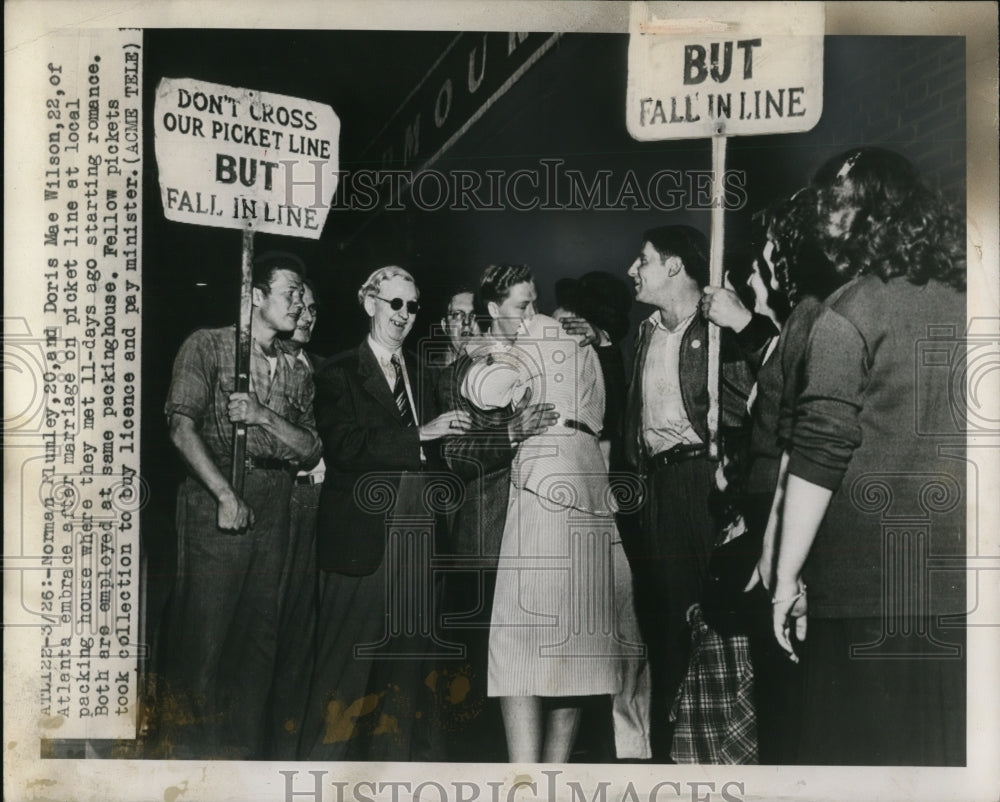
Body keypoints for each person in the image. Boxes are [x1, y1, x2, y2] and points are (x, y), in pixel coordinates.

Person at [770, 147, 967, 765]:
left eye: (834, 202)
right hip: (952, 580)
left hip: (864, 582)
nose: (824, 219)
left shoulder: (850, 311)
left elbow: (820, 449)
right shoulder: (967, 296)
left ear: (868, 211)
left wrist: (784, 578)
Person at [462, 289, 643, 763]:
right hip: (540, 502)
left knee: (549, 645)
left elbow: (487, 388)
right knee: (549, 646)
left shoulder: (565, 348)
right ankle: (537, 776)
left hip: (557, 500)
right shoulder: (553, 347)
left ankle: (538, 778)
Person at [298, 266, 471, 761]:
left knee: (407, 684)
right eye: (394, 303)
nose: (403, 315)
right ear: (369, 302)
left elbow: (449, 451)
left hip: (421, 537)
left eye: (412, 306)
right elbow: (345, 446)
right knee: (342, 682)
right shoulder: (337, 371)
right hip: (364, 540)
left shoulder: (423, 373)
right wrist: (420, 434)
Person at [161, 251, 322, 758]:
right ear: (255, 296)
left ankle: (243, 770)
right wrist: (225, 494)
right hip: (219, 503)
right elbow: (180, 427)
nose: (299, 303)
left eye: (302, 295)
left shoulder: (296, 368)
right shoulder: (207, 347)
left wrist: (262, 416)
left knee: (259, 646)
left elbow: (311, 447)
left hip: (275, 510)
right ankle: (187, 774)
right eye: (290, 292)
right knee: (204, 646)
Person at [622, 225, 773, 759]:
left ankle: (724, 747)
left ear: (673, 267)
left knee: (709, 618)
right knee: (666, 623)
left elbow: (757, 399)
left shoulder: (716, 334)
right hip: (657, 489)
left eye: (643, 260)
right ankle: (674, 751)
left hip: (705, 483)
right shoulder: (641, 335)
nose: (632, 270)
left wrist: (736, 488)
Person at [434, 268, 559, 762]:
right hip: (486, 545)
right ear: (492, 311)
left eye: (534, 304)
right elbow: (456, 455)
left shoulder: (537, 358)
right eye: (521, 307)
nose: (532, 316)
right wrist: (512, 434)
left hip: (536, 536)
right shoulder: (462, 371)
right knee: (483, 679)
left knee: (535, 670)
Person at [267, 280, 325, 758]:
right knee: (270, 625)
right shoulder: (266, 367)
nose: (306, 315)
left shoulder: (321, 370)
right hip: (280, 500)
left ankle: (290, 744)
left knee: (305, 631)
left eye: (313, 309)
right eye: (298, 305)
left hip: (318, 506)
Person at [440, 286, 477, 366]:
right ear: (444, 326)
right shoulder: (429, 374)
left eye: (472, 315)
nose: (467, 322)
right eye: (457, 315)